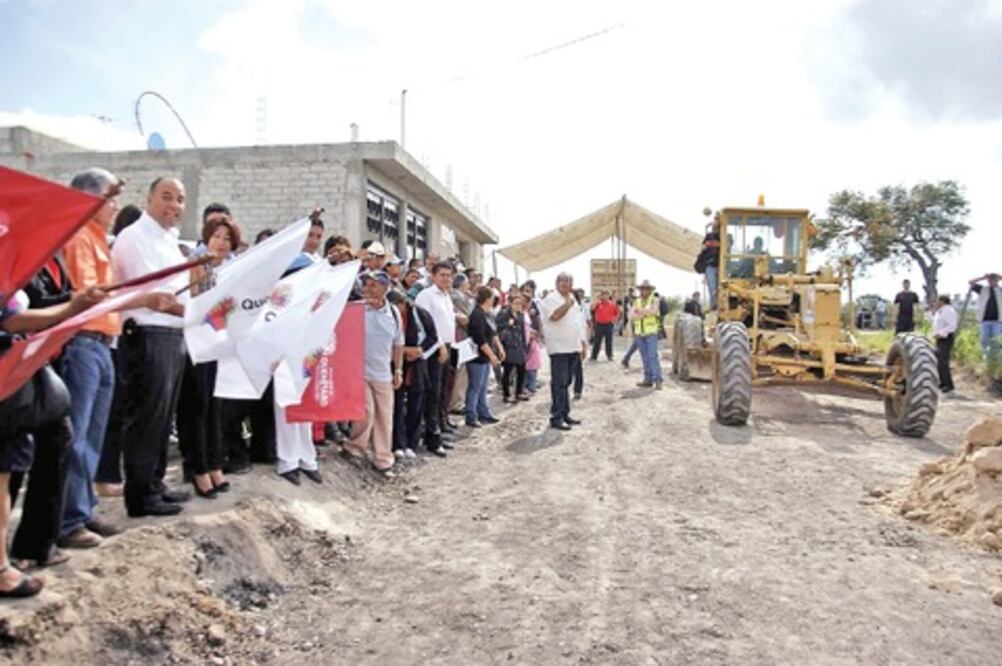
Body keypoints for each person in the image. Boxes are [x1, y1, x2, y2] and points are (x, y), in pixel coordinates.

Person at [110, 177, 190, 517]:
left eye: (180, 199)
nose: (173, 205)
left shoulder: (169, 240)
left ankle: (155, 483)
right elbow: (157, 298)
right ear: (149, 198)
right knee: (146, 418)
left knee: (162, 417)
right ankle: (141, 495)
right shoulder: (135, 236)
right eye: (166, 197)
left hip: (173, 334)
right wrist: (197, 314)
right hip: (147, 334)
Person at [55, 168, 126, 547]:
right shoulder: (79, 237)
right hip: (82, 342)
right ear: (89, 199)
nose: (114, 206)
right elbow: (86, 293)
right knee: (78, 436)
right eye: (109, 198)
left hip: (103, 342)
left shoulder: (98, 238)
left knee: (93, 435)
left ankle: (83, 507)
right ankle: (68, 521)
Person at [177, 205, 241, 499]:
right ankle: (197, 468)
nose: (221, 243)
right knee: (196, 405)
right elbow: (194, 301)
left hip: (219, 344)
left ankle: (214, 463)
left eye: (227, 239)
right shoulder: (196, 264)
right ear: (207, 237)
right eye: (217, 236)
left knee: (216, 406)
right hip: (195, 341)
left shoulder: (231, 269)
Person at [343, 271, 404, 477]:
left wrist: (398, 370)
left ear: (386, 288)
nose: (368, 289)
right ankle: (355, 447)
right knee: (366, 411)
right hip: (360, 370)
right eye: (366, 285)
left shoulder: (393, 313)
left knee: (385, 417)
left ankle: (383, 458)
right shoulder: (356, 309)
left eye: (374, 285)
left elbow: (398, 344)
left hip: (383, 373)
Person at [414, 262, 459, 457]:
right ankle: (431, 437)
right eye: (442, 275)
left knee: (442, 393)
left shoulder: (446, 296)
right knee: (432, 393)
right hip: (433, 349)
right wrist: (440, 345)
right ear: (433, 276)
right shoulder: (426, 296)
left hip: (447, 347)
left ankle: (438, 431)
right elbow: (426, 325)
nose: (446, 278)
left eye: (449, 275)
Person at [390, 290, 438, 460]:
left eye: (398, 306)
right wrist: (401, 351)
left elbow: (433, 337)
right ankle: (398, 444)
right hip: (395, 363)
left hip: (417, 364)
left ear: (404, 303)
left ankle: (412, 443)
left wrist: (419, 350)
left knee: (416, 404)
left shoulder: (420, 314)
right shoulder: (388, 315)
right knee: (396, 405)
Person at [539, 273, 587, 431]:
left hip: (573, 346)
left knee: (567, 382)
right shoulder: (550, 299)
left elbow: (578, 322)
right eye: (563, 281)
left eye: (569, 281)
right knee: (559, 383)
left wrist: (583, 343)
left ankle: (565, 413)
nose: (566, 284)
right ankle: (556, 416)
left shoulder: (573, 298)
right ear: (557, 283)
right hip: (559, 348)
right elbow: (554, 317)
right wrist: (567, 304)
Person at [465, 286, 503, 427]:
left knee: (482, 386)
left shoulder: (487, 313)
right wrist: (492, 354)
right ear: (488, 298)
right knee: (475, 386)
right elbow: (479, 339)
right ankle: (471, 415)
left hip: (485, 356)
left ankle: (484, 412)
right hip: (477, 356)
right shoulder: (477, 314)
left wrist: (499, 347)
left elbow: (493, 333)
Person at [497, 294, 529, 402]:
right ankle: (506, 395)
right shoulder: (504, 313)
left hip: (519, 345)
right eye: (516, 303)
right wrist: (507, 324)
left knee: (522, 369)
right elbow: (496, 326)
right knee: (508, 371)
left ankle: (519, 392)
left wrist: (525, 345)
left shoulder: (521, 315)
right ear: (510, 303)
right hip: (508, 345)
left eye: (520, 304)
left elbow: (522, 331)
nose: (518, 305)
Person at [632, 280, 663, 390]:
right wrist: (644, 312)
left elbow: (654, 312)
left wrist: (640, 312)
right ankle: (648, 379)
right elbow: (632, 315)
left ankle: (658, 379)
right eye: (642, 289)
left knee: (652, 356)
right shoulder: (637, 301)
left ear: (650, 290)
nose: (644, 291)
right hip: (639, 332)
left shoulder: (655, 300)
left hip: (651, 332)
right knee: (645, 357)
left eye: (646, 289)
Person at [969, 272, 1002, 353]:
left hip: (998, 320)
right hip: (985, 319)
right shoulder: (983, 289)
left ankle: (995, 358)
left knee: (996, 340)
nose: (991, 281)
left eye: (994, 279)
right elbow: (971, 282)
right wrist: (982, 278)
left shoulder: (1000, 290)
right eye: (990, 279)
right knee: (984, 339)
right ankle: (985, 356)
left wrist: (999, 277)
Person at [932, 295, 958, 394]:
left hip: (946, 338)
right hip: (940, 338)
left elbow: (952, 326)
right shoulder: (940, 311)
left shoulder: (948, 311)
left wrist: (941, 333)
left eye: (937, 301)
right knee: (939, 361)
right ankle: (942, 382)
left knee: (943, 361)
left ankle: (949, 385)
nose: (936, 303)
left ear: (942, 301)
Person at [695, 214, 721, 307]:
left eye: (717, 219)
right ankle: (714, 305)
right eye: (715, 219)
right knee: (713, 288)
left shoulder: (725, 235)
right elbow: (703, 248)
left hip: (723, 266)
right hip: (711, 265)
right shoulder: (709, 236)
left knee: (721, 287)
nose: (716, 221)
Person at [590, 291, 619, 362]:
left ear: (609, 296)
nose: (605, 297)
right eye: (603, 295)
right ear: (601, 296)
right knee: (597, 341)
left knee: (609, 341)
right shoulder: (598, 304)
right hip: (599, 325)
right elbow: (592, 308)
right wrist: (597, 299)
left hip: (608, 325)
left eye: (606, 295)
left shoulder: (612, 304)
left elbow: (617, 313)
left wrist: (614, 320)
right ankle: (594, 356)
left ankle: (609, 356)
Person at [572, 289, 589, 399]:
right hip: (564, 343)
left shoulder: (580, 309)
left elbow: (582, 327)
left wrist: (584, 344)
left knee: (578, 368)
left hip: (577, 342)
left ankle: (578, 390)